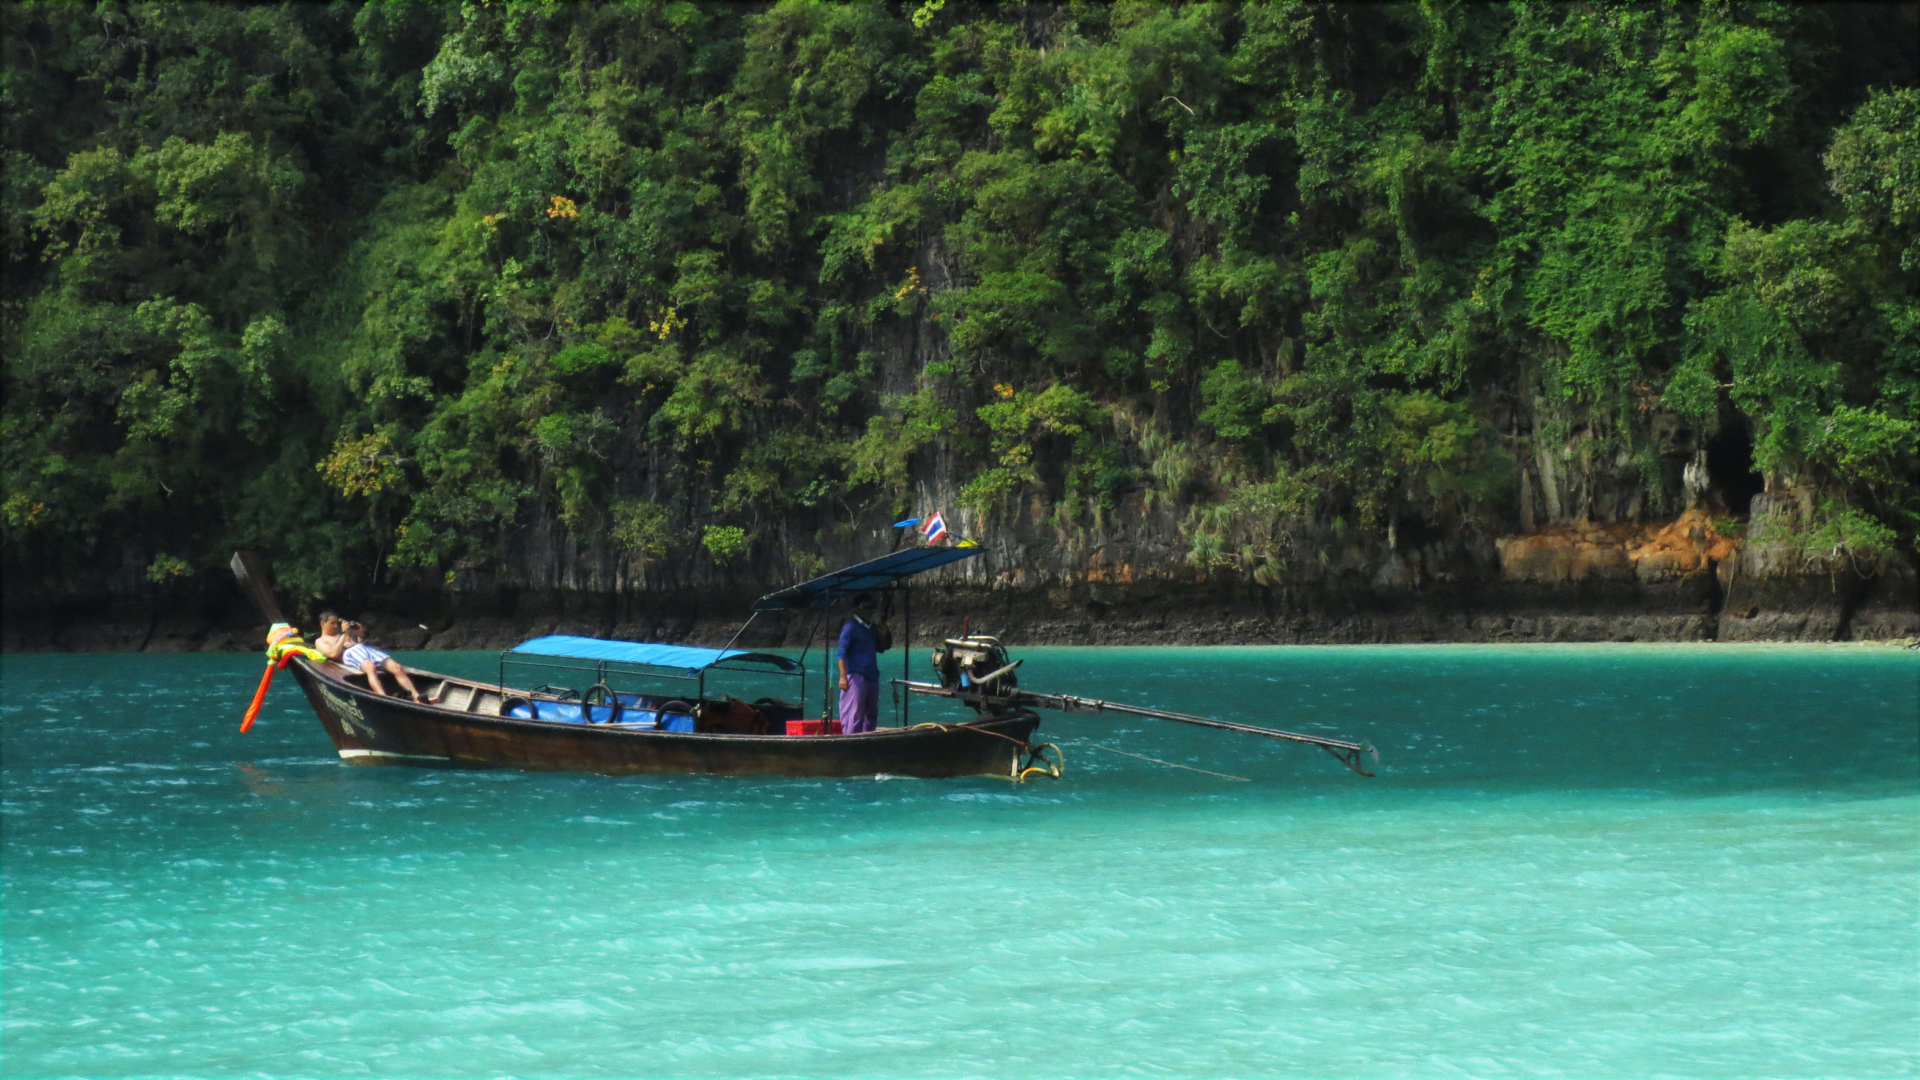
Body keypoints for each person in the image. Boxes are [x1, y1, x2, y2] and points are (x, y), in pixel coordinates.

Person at [342, 621, 423, 702]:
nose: (334, 626)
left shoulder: (354, 635)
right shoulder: (338, 636)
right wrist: (344, 632)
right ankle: (383, 697)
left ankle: (416, 696)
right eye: (332, 623)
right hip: (352, 651)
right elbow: (333, 653)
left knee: (396, 667)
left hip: (366, 649)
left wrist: (359, 631)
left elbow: (361, 641)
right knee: (370, 667)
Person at [836, 594, 882, 735]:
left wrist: (884, 633)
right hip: (856, 675)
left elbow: (881, 647)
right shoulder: (850, 627)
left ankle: (868, 740)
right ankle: (851, 740)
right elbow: (841, 653)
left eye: (871, 608)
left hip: (871, 676)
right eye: (867, 607)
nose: (870, 611)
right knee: (854, 713)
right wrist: (843, 677)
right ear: (858, 609)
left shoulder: (872, 627)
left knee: (871, 714)